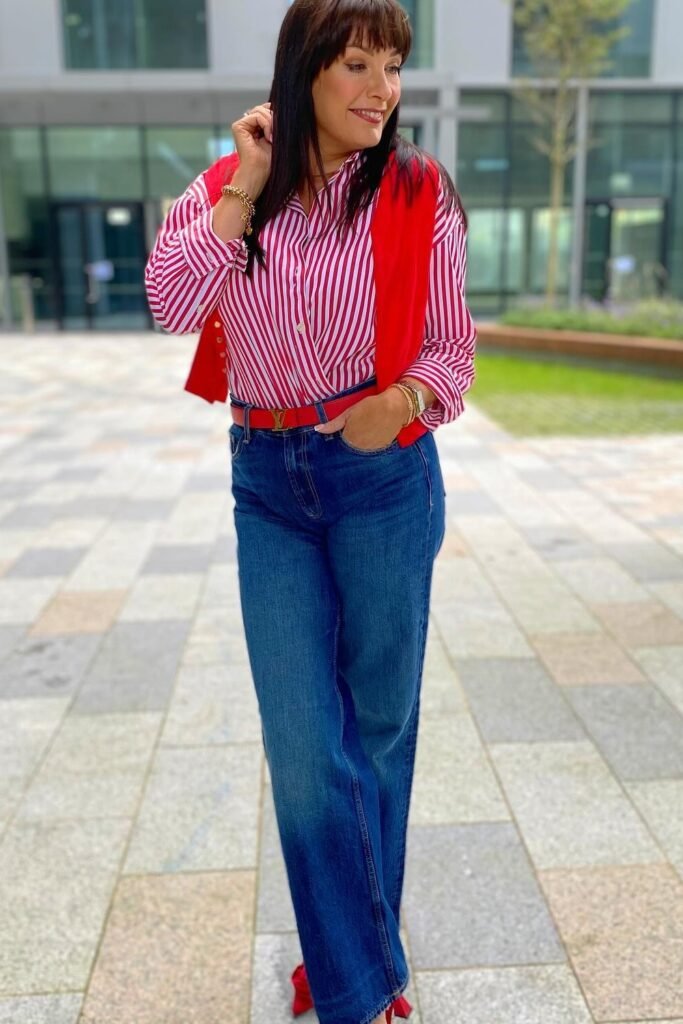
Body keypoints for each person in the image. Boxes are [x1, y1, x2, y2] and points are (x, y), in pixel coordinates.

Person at [145, 2, 477, 1021]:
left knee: (376, 729)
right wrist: (244, 186)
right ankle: (360, 977)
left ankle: (350, 976)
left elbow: (451, 353)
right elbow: (169, 303)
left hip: (379, 478)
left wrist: (400, 403)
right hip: (267, 483)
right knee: (302, 746)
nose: (381, 90)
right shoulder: (228, 185)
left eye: (392, 66)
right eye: (357, 64)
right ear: (305, 70)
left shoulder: (415, 190)